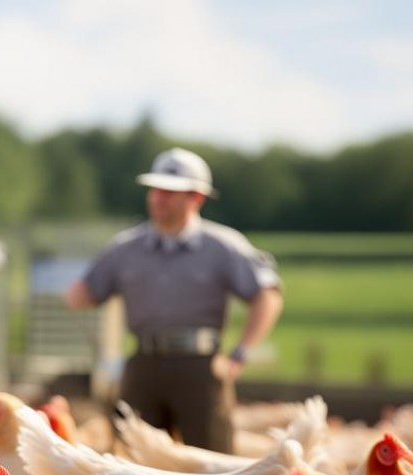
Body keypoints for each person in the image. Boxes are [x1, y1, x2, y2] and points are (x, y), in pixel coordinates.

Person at [65, 147, 283, 454]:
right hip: (143, 366)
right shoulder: (124, 248)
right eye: (155, 190)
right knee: (131, 465)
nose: (158, 198)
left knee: (211, 463)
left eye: (169, 192)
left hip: (201, 369)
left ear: (196, 198)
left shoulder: (222, 247)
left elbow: (267, 296)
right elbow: (88, 292)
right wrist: (77, 293)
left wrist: (239, 354)